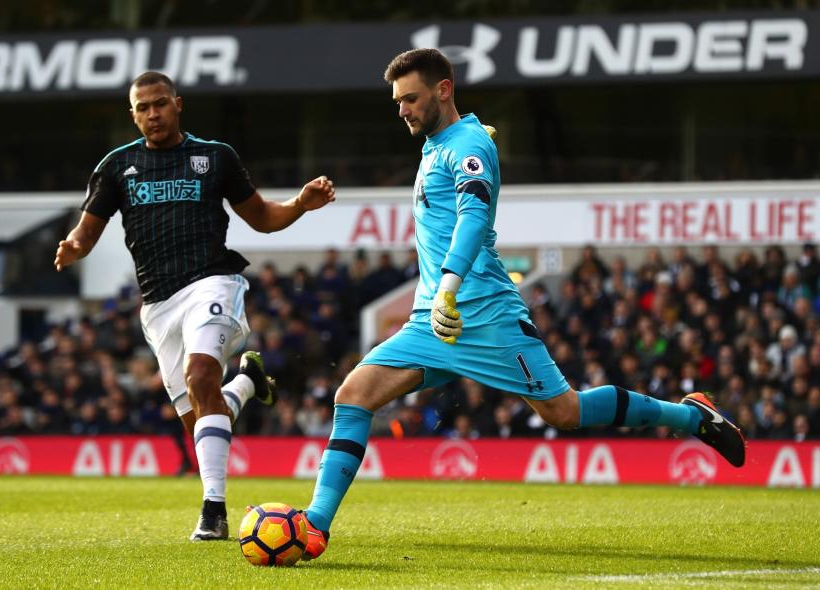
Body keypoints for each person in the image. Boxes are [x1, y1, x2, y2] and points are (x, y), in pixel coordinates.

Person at [295, 48, 746, 561]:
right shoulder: (440, 143)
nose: (403, 110)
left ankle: (692, 418)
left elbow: (473, 217)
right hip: (432, 320)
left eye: (412, 98)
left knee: (563, 411)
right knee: (353, 394)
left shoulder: (465, 143)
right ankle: (315, 525)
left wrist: (448, 285)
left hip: (483, 313)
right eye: (398, 101)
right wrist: (437, 297)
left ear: (444, 89)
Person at [54, 71, 335, 541]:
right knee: (201, 416)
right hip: (157, 305)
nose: (152, 114)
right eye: (142, 108)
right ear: (132, 114)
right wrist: (74, 246)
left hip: (213, 282)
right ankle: (245, 383)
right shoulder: (116, 166)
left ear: (178, 104)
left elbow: (262, 218)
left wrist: (300, 204)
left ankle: (214, 511)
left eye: (160, 104)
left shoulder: (214, 156)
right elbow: (87, 230)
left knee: (201, 374)